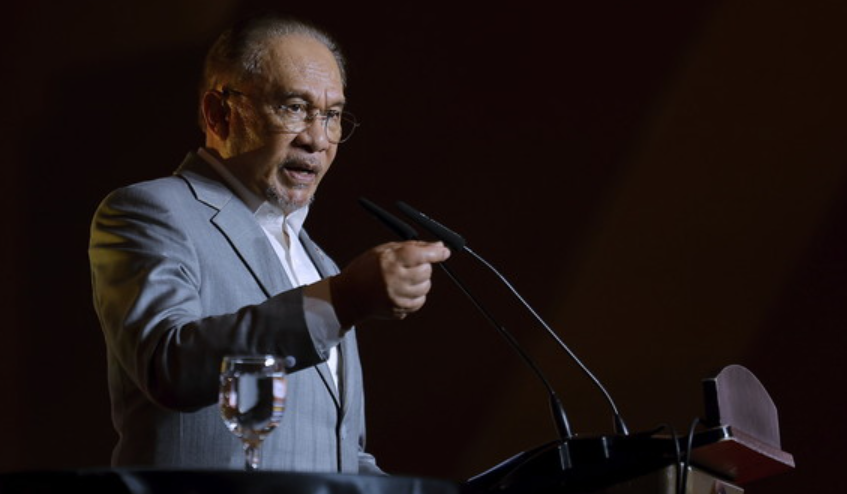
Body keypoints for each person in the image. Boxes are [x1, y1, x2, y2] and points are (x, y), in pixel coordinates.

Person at [88, 13, 450, 474]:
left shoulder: (321, 264)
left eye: (332, 116)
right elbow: (170, 364)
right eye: (294, 107)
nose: (316, 139)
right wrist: (343, 300)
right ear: (219, 114)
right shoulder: (150, 211)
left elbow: (343, 454)